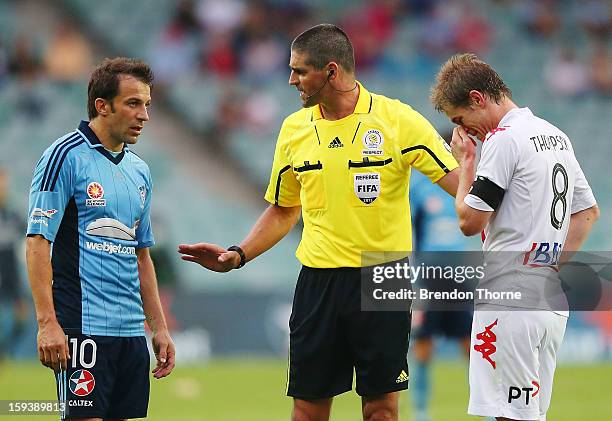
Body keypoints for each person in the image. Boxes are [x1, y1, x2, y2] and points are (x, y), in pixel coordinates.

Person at [179, 24, 459, 421]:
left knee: (381, 409)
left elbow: (459, 188)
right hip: (318, 278)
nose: (290, 79)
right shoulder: (294, 129)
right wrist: (238, 255)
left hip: (382, 274)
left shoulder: (398, 120)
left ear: (331, 71)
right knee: (308, 411)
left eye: (299, 70)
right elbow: (283, 210)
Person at [431, 53, 599, 421]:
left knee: (511, 416)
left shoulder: (503, 140)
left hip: (510, 295)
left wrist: (466, 167)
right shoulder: (555, 135)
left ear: (478, 99)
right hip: (549, 298)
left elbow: (470, 221)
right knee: (528, 413)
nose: (465, 131)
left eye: (461, 120)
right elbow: (586, 213)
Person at [26, 57, 175, 420]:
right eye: (133, 103)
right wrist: (48, 322)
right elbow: (37, 242)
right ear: (102, 106)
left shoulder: (139, 170)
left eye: (148, 105)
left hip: (129, 333)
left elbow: (141, 255)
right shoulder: (64, 157)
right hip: (81, 328)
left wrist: (158, 327)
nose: (144, 115)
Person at [408, 165, 472, 421]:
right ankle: (421, 411)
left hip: (459, 277)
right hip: (427, 278)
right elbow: (408, 231)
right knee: (423, 344)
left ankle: (487, 407)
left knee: (472, 344)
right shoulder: (417, 187)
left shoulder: (465, 186)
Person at [0, 167, 28, 360]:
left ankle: (4, 351)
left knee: (22, 317)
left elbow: (29, 238)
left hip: (11, 277)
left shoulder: (12, 216)